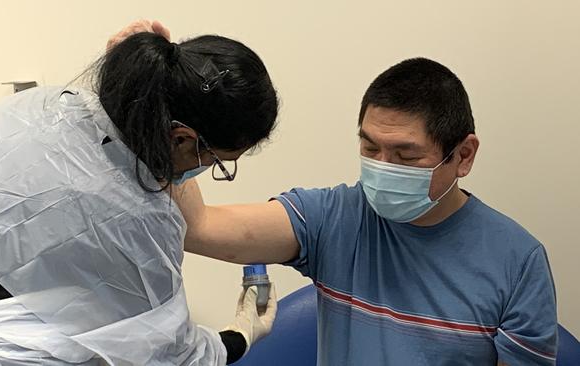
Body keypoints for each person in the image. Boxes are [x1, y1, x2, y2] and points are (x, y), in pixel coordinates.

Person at [0, 24, 278, 365]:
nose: (208, 171)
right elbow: (172, 353)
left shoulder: (52, 109)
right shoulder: (136, 221)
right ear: (181, 138)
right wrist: (240, 335)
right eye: (219, 162)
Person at [174, 56, 558, 364]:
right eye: (371, 149)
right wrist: (156, 113)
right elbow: (200, 227)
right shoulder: (335, 217)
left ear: (463, 155)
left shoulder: (518, 263)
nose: (382, 166)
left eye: (405, 155)